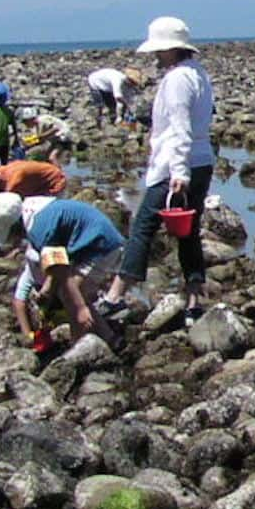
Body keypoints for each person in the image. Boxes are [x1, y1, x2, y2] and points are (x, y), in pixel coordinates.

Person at [100, 16, 216, 322]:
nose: (155, 56)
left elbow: (180, 127)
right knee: (188, 233)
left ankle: (115, 296)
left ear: (170, 49)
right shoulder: (198, 73)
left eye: (159, 51)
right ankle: (193, 300)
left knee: (142, 228)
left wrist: (179, 172)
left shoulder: (177, 79)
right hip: (201, 159)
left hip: (176, 166)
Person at [0, 191, 125, 352]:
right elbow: (56, 263)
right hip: (89, 242)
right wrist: (47, 290)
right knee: (73, 293)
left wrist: (81, 308)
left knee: (70, 295)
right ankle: (110, 338)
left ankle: (77, 348)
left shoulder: (39, 230)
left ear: (14, 227)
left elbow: (61, 269)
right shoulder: (34, 207)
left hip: (99, 245)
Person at [0, 158, 68, 200]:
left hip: (54, 183)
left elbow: (18, 208)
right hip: (34, 183)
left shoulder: (13, 184)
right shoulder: (0, 171)